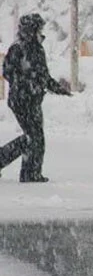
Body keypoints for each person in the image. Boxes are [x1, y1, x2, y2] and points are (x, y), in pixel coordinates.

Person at [0, 14, 72, 183]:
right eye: (38, 28)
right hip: (21, 100)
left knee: (33, 137)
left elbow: (43, 75)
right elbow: (7, 72)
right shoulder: (18, 49)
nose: (40, 32)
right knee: (34, 137)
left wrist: (57, 88)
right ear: (31, 30)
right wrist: (25, 83)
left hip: (33, 99)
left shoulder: (37, 49)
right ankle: (29, 172)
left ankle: (29, 171)